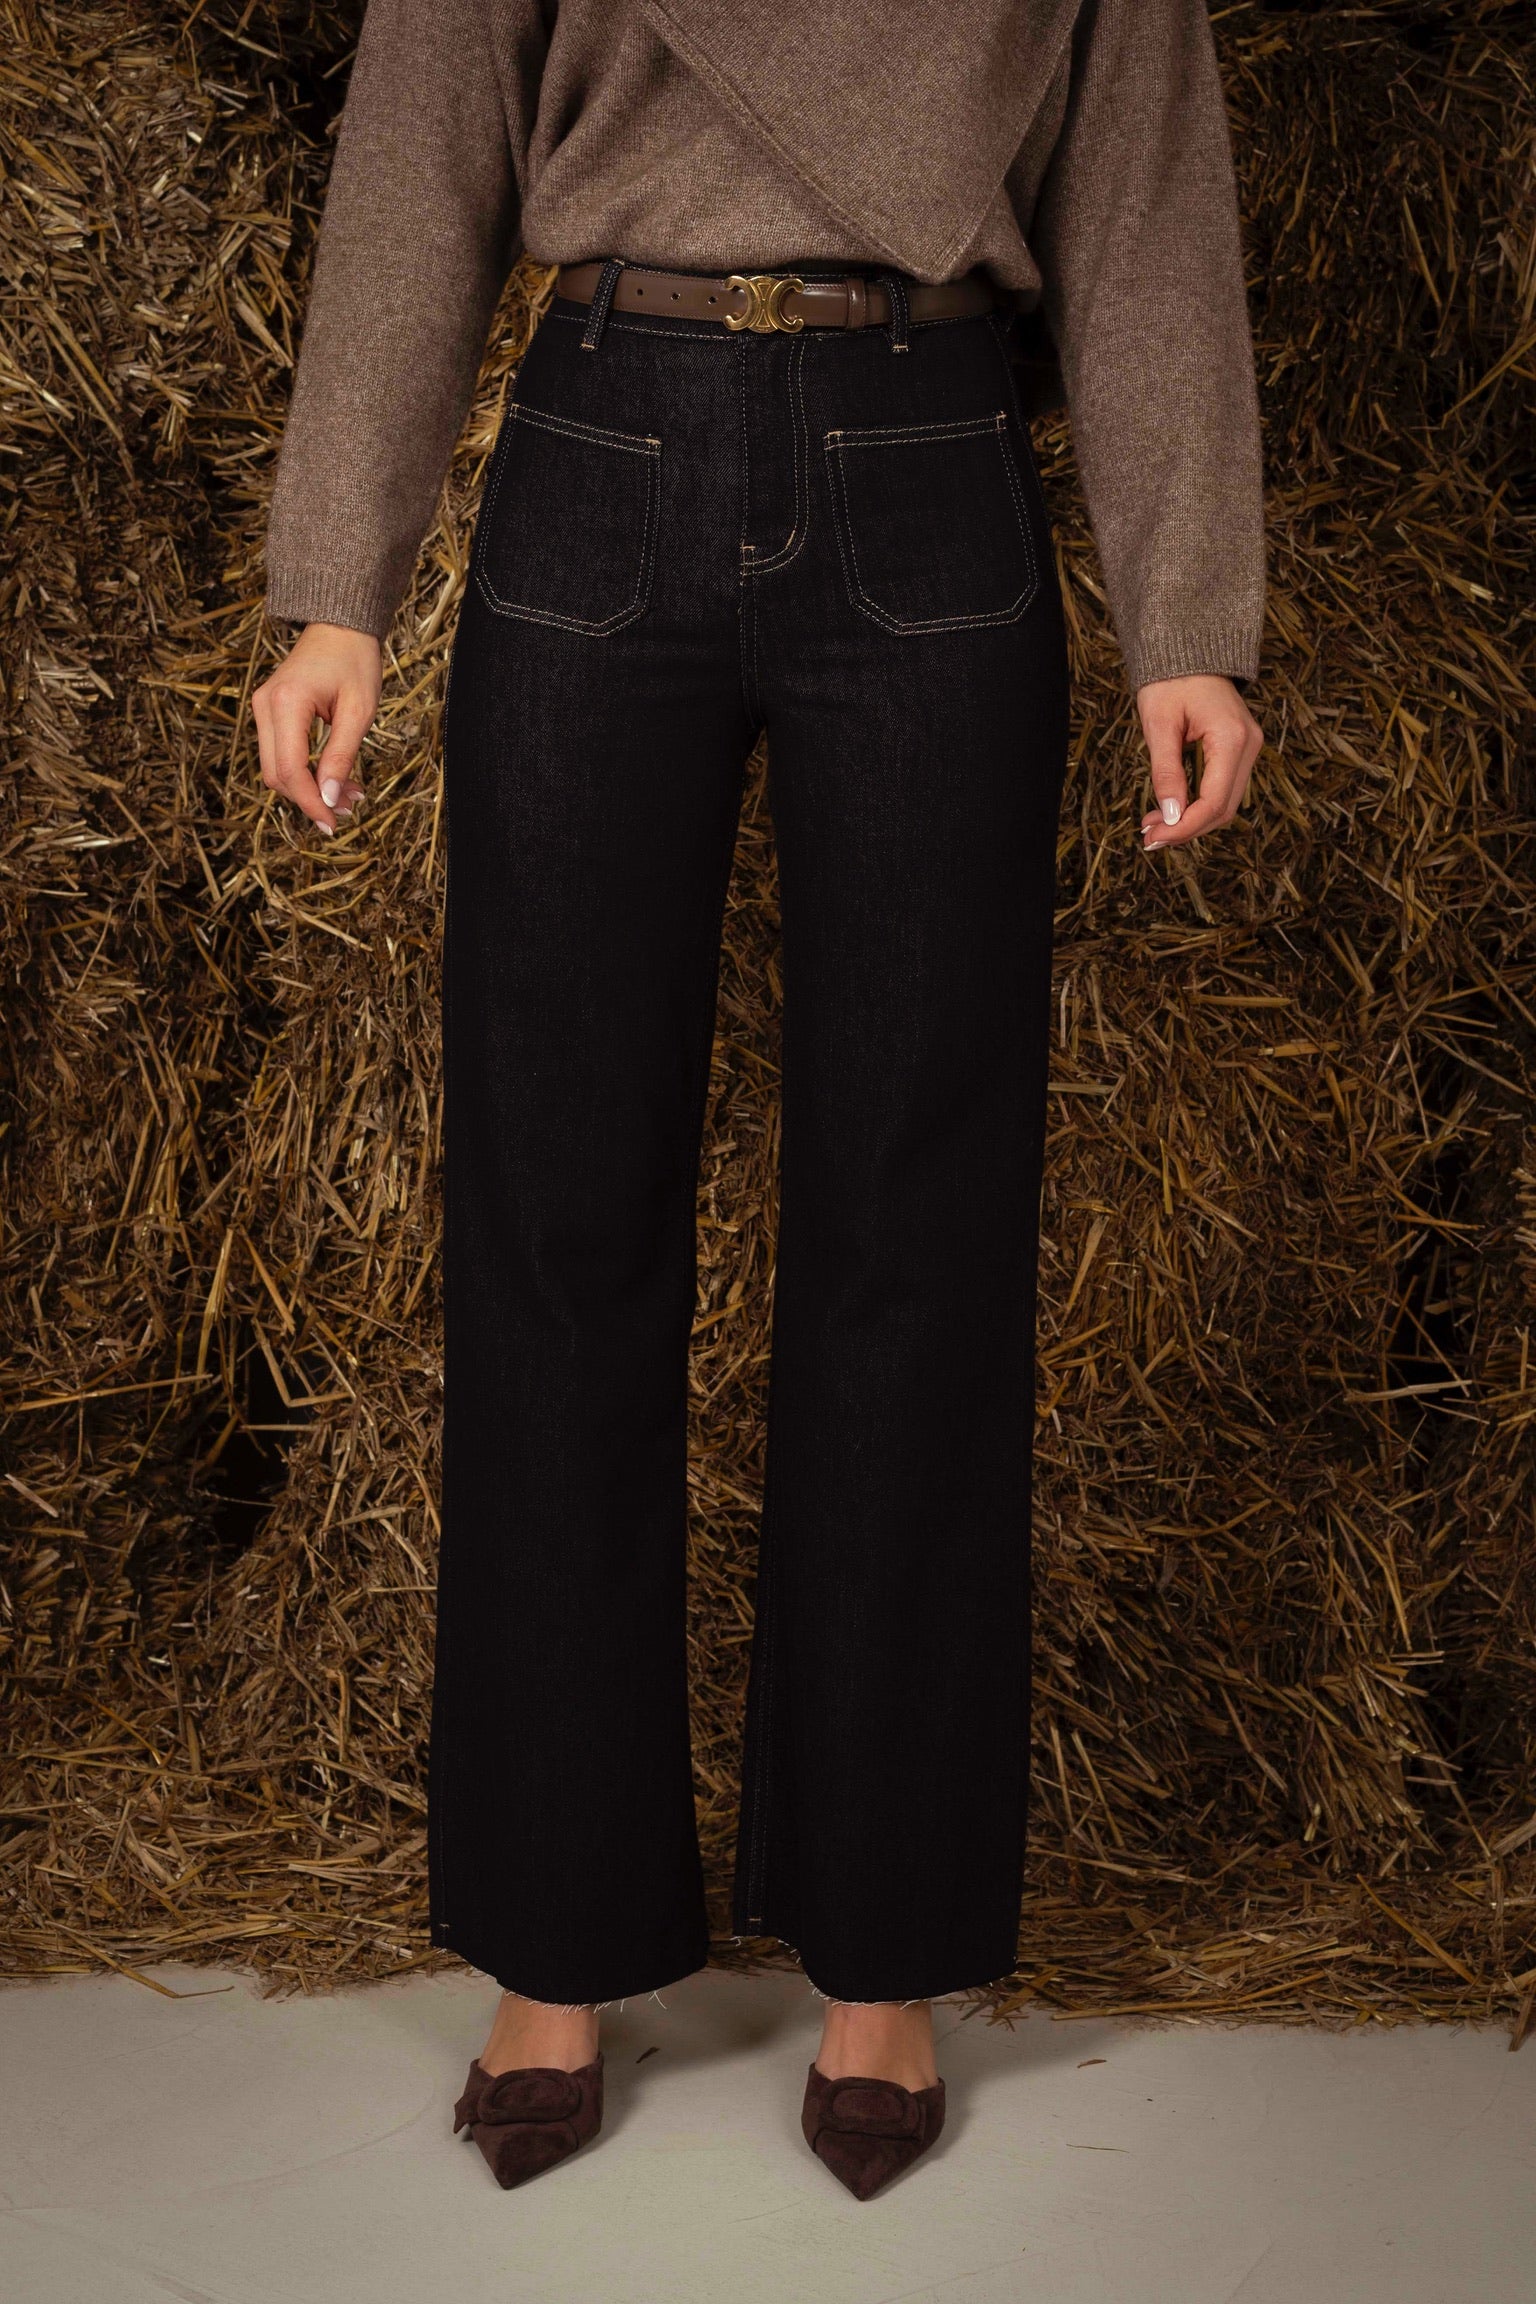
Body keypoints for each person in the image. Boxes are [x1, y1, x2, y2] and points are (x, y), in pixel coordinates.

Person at [253, 0, 1264, 2200]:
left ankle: (885, 1954)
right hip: (598, 436)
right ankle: (551, 1940)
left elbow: (1143, 179)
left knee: (922, 1239)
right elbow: (426, 135)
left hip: (931, 448)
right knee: (554, 1225)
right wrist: (336, 581)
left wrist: (1192, 612)